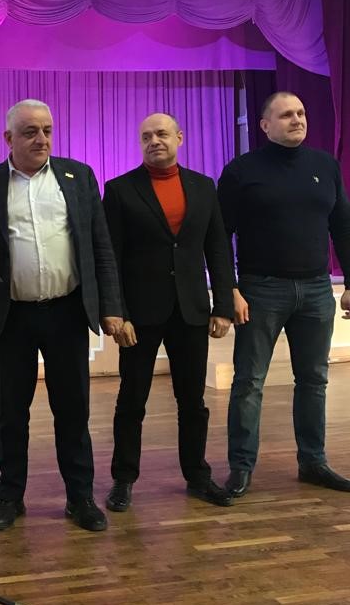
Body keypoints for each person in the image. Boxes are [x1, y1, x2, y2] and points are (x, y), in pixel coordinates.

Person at [0, 99, 123, 534]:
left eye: (47, 130)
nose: (42, 139)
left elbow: (101, 247)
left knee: (73, 410)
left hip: (67, 312)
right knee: (11, 414)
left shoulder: (78, 176)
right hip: (10, 317)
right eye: (30, 131)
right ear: (8, 138)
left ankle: (80, 497)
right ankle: (9, 497)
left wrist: (111, 306)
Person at [219, 91, 350, 498]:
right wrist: (229, 290)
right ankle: (241, 467)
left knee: (313, 379)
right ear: (264, 125)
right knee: (249, 382)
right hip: (261, 289)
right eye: (287, 114)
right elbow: (218, 235)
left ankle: (313, 461)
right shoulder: (241, 171)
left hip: (316, 289)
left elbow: (343, 226)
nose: (297, 119)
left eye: (301, 112)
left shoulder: (325, 166)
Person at [102, 113, 234, 512]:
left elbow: (217, 249)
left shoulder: (203, 186)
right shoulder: (120, 190)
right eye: (146, 136)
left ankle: (197, 475)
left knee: (192, 401)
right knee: (132, 400)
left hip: (191, 310)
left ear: (179, 137)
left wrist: (223, 305)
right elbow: (111, 257)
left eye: (161, 134)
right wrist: (118, 313)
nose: (154, 141)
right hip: (139, 315)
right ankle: (123, 479)